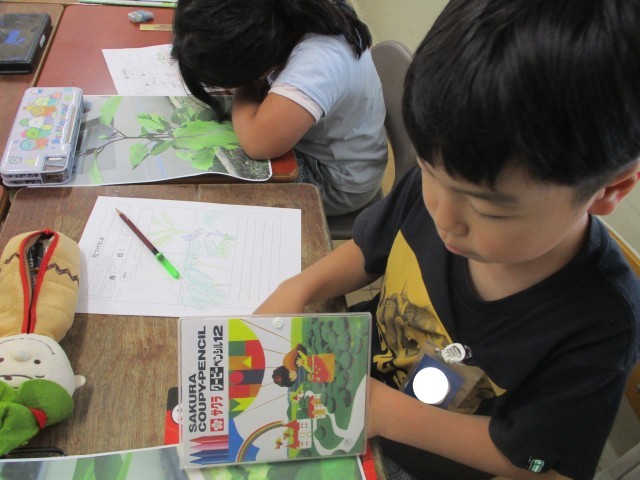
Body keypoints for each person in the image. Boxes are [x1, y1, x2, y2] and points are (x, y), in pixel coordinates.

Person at [254, 0, 640, 478]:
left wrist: (383, 412)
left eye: (487, 209)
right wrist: (299, 288)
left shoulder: (602, 323)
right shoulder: (439, 182)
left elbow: (537, 463)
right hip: (348, 380)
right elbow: (366, 251)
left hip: (422, 460)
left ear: (609, 191)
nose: (444, 217)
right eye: (429, 172)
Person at [171, 0, 388, 216]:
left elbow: (256, 143)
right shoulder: (287, 14)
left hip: (334, 181)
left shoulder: (318, 61)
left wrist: (242, 87)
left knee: (210, 187)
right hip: (317, 146)